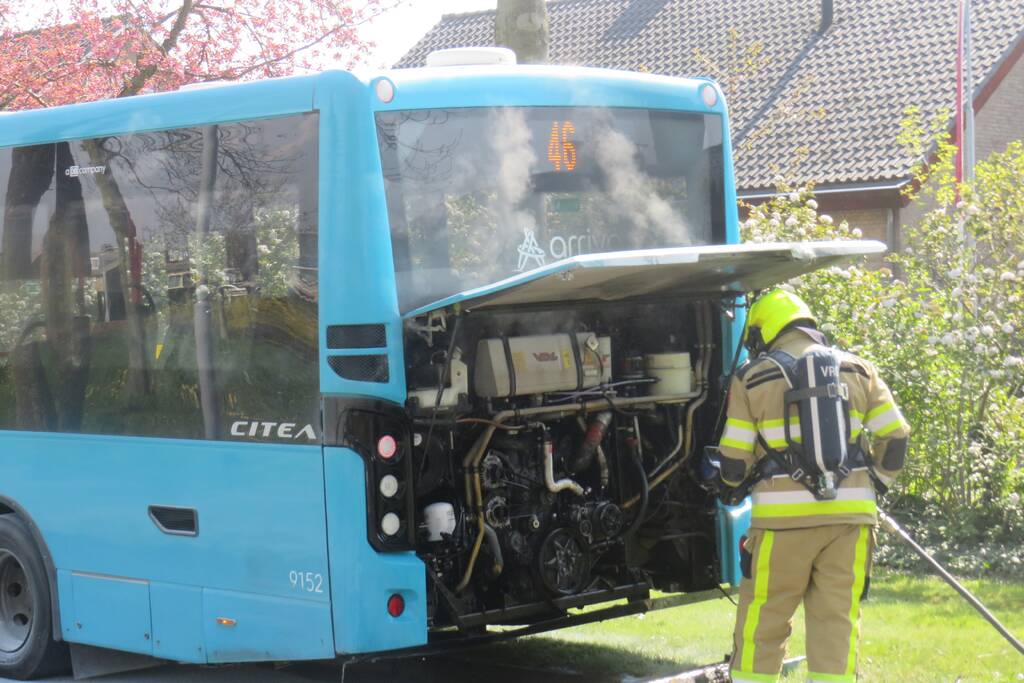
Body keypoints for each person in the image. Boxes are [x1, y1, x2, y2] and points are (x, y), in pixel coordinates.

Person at [714, 288, 910, 683]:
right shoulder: (860, 370)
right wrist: (874, 484)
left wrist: (731, 482)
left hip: (781, 527)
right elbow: (896, 437)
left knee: (764, 621)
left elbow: (733, 461)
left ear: (762, 333)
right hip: (851, 522)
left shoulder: (752, 378)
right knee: (836, 621)